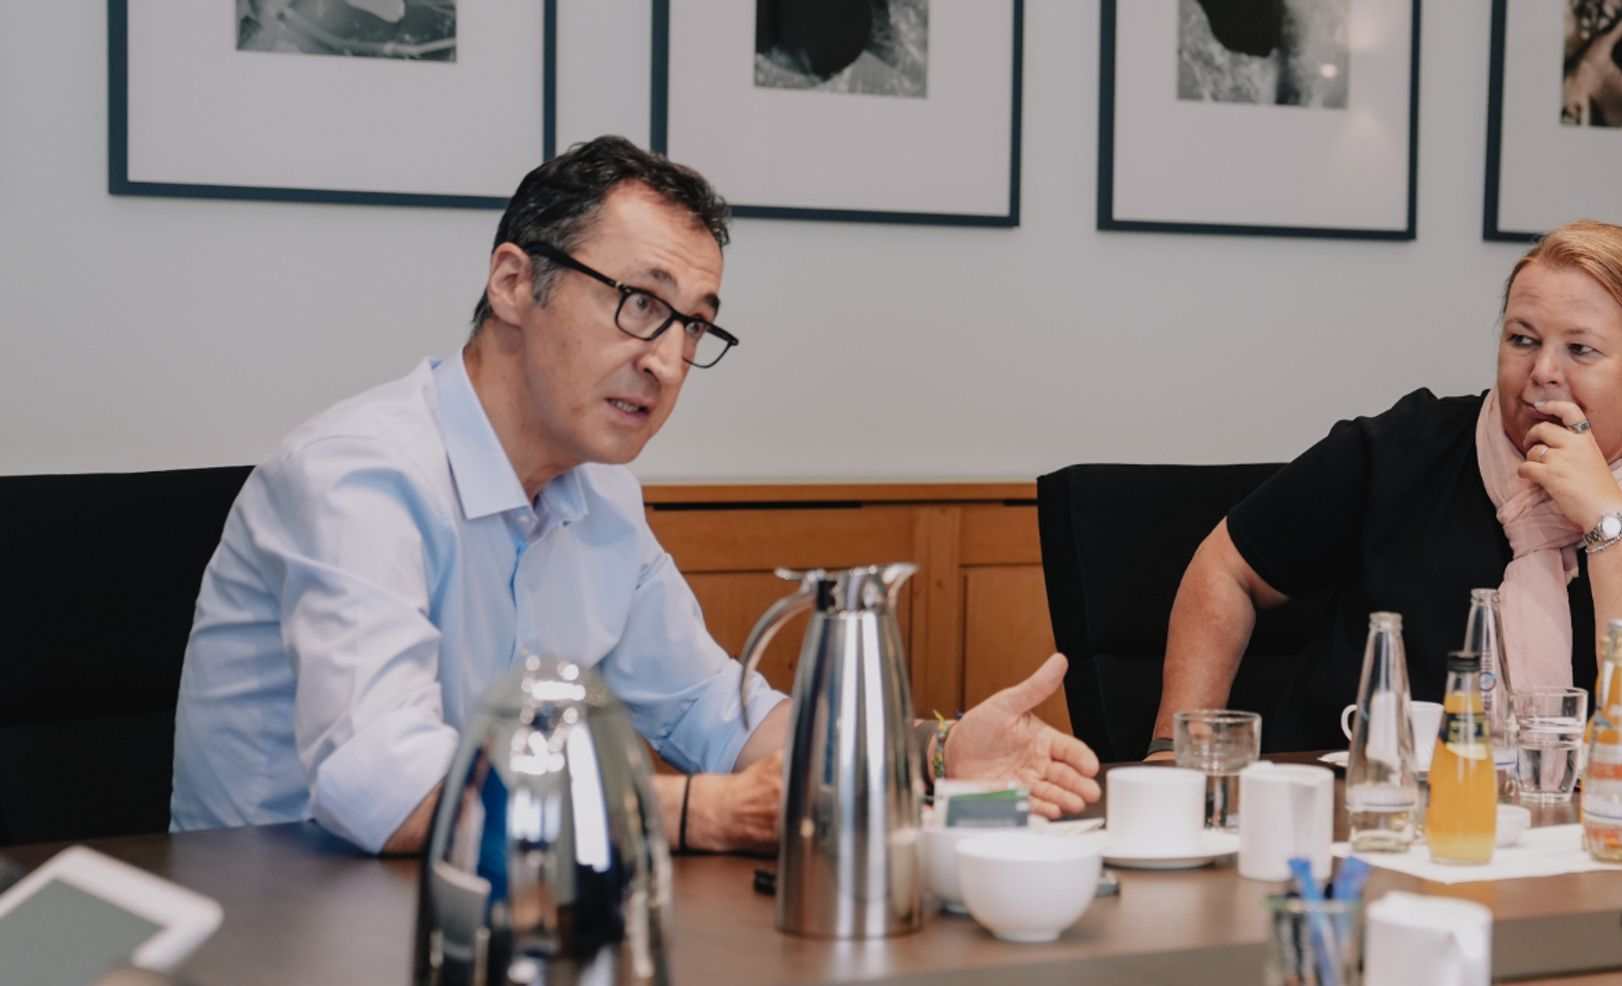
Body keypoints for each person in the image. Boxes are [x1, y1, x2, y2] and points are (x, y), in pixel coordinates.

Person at [172, 136, 1101, 855]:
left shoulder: (602, 494)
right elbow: (382, 785)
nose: (664, 358)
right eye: (640, 302)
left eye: (695, 325)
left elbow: (715, 712)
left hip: (494, 916)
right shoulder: (358, 476)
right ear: (512, 283)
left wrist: (933, 757)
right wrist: (691, 812)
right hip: (274, 946)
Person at [1153, 219, 1622, 756]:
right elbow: (1226, 567)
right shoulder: (1406, 447)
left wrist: (1606, 517)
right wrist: (1171, 753)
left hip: (1582, 839)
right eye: (1522, 340)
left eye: (1580, 350)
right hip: (1354, 815)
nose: (1542, 374)